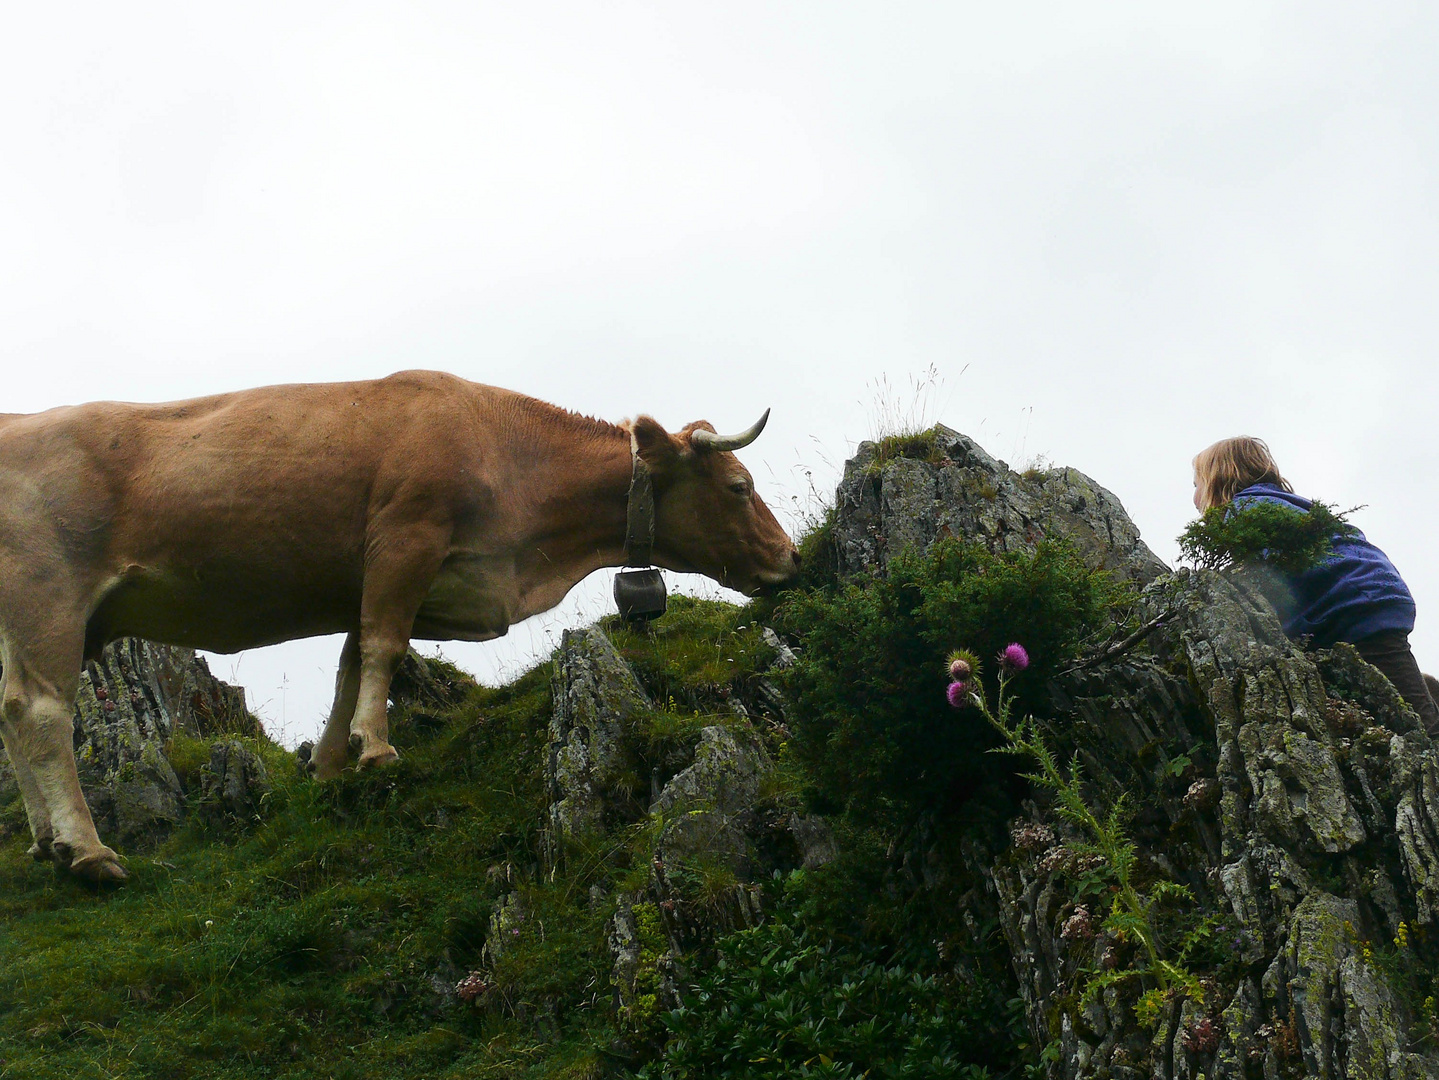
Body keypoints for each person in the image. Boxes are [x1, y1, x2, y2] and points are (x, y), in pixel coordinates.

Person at [1192, 436, 1439, 734]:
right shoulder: (1279, 502)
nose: (1194, 496)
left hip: (1353, 607)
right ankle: (1425, 693)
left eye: (1196, 484)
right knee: (1383, 687)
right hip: (1361, 596)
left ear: (1218, 479)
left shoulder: (1245, 510)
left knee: (1420, 729)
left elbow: (1267, 579)